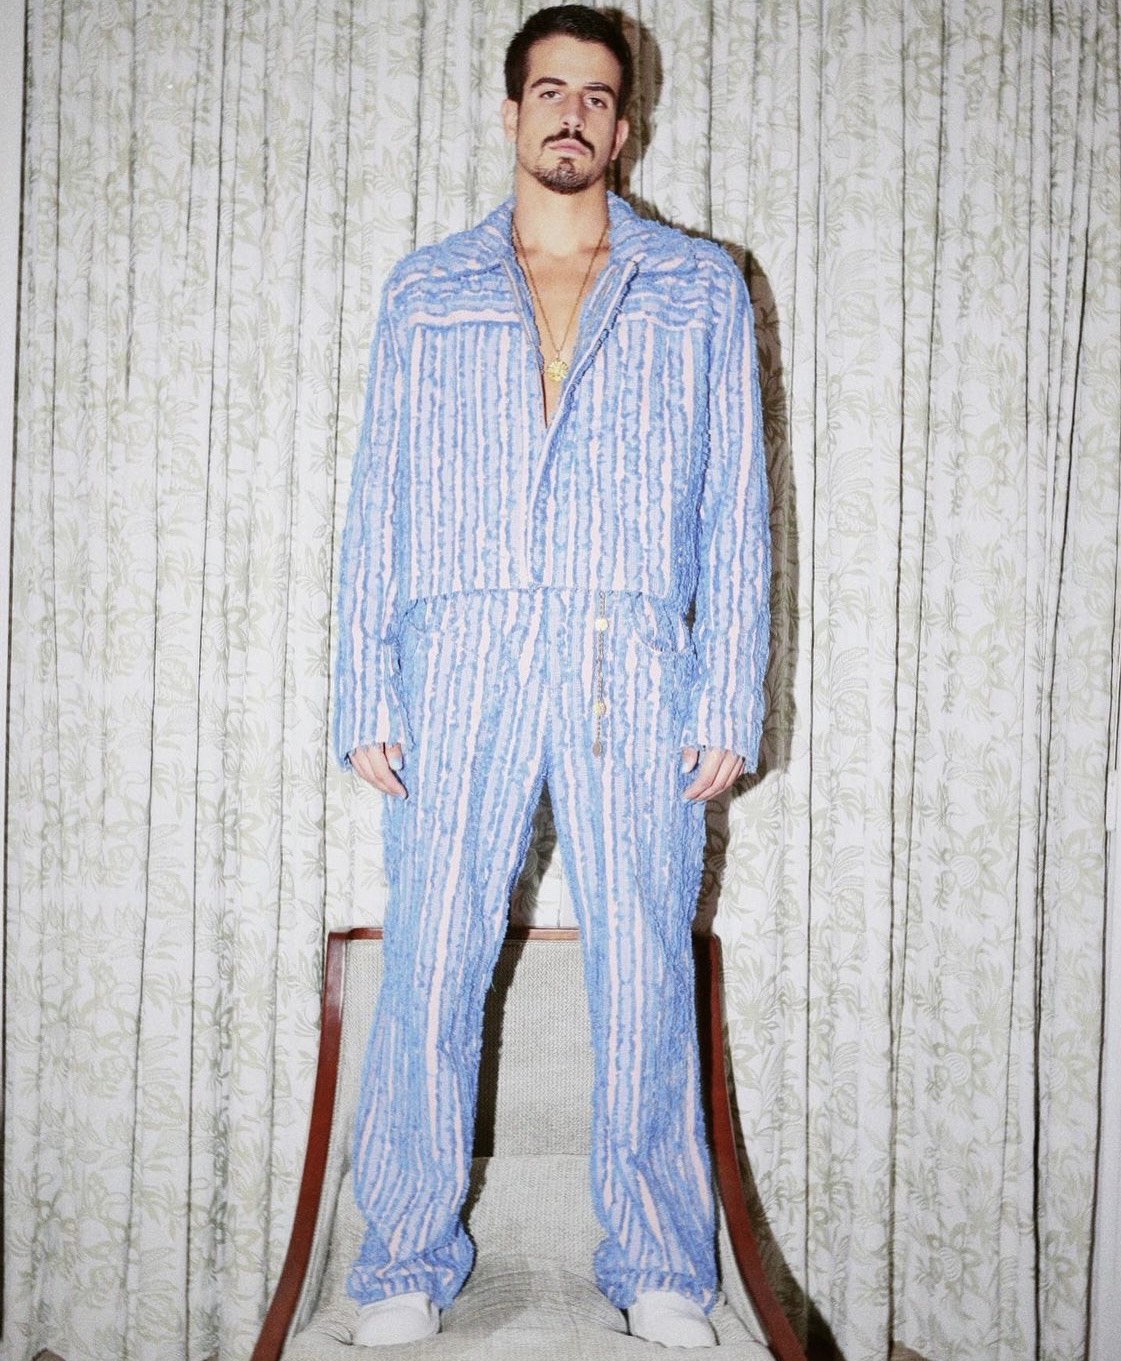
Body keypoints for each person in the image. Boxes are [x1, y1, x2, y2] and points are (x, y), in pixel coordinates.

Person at [332, 4, 770, 1349]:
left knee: (643, 960)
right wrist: (362, 688)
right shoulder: (427, 287)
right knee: (432, 958)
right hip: (455, 646)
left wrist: (726, 688)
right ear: (511, 111)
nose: (571, 115)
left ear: (623, 126)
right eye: (549, 91)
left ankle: (660, 1257)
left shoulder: (697, 285)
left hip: (628, 650)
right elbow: (378, 494)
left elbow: (735, 503)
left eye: (595, 96)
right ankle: (401, 1257)